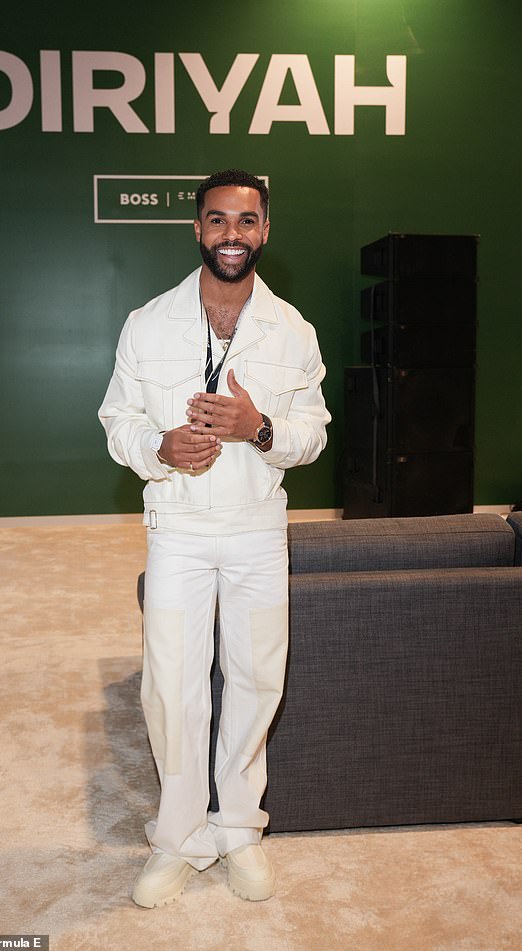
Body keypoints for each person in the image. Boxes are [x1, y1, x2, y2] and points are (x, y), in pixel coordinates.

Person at [99, 169, 330, 908]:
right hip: (179, 527)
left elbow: (312, 435)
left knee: (258, 680)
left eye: (247, 220)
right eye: (218, 220)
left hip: (259, 529)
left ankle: (238, 830)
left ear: (265, 230)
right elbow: (117, 421)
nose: (234, 233)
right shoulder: (148, 322)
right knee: (170, 686)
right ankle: (178, 837)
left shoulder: (293, 330)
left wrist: (255, 427)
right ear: (197, 229)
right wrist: (160, 447)